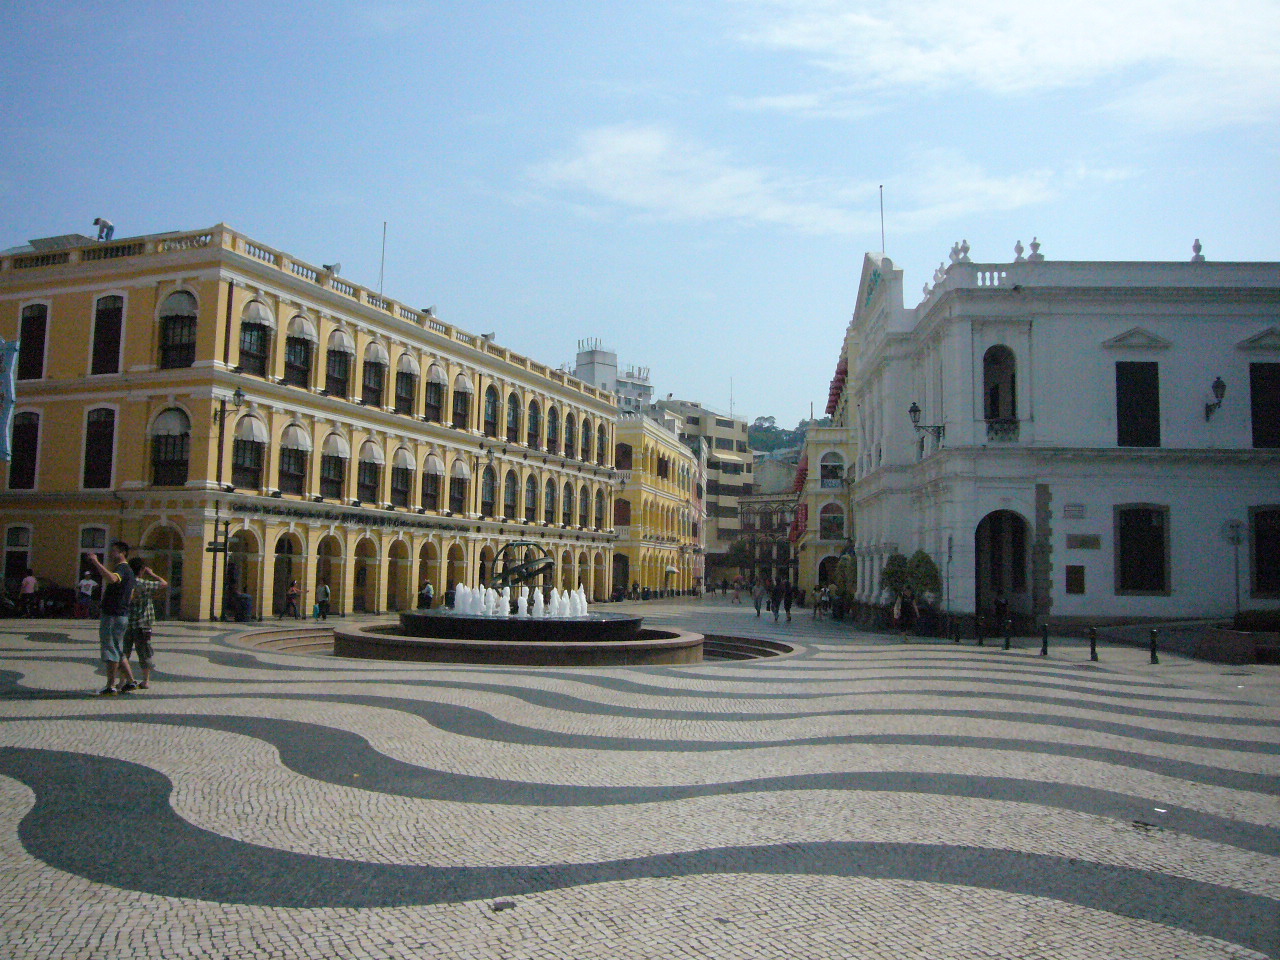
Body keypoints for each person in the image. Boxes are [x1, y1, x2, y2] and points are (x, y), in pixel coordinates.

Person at [87, 542, 137, 695]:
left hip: (113, 614)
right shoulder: (130, 571)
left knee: (110, 649)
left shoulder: (122, 568)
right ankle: (130, 681)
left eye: (114, 551)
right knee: (118, 649)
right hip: (121, 614)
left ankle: (110, 685)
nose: (110, 554)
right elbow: (131, 594)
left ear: (123, 553)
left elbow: (112, 579)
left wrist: (96, 562)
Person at [123, 557, 167, 689]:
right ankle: (145, 680)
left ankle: (123, 680)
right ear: (142, 570)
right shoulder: (145, 584)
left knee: (124, 653)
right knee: (144, 652)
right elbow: (164, 583)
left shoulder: (127, 583)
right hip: (143, 624)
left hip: (127, 623)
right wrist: (152, 574)